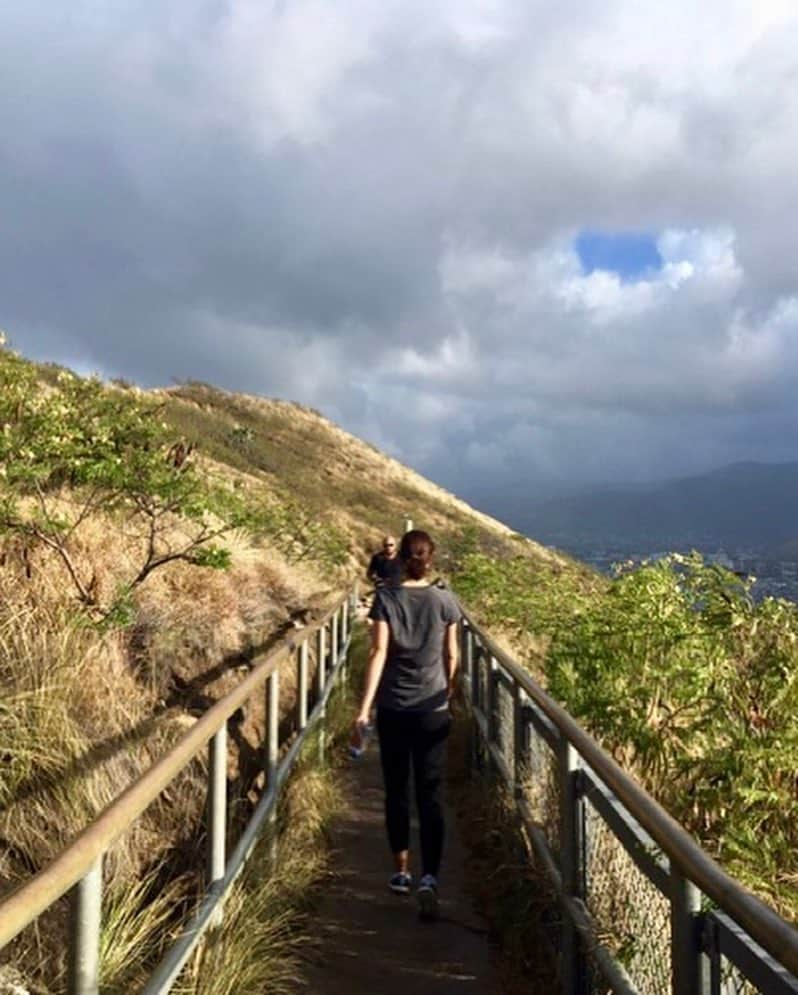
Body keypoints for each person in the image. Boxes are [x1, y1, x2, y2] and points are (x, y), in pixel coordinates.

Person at [353, 529, 460, 920]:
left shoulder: (386, 598)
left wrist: (364, 710)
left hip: (394, 707)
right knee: (431, 793)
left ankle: (401, 872)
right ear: (431, 558)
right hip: (432, 709)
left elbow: (378, 652)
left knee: (397, 790)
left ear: (401, 557)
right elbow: (452, 657)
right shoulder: (446, 599)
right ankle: (430, 877)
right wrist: (447, 694)